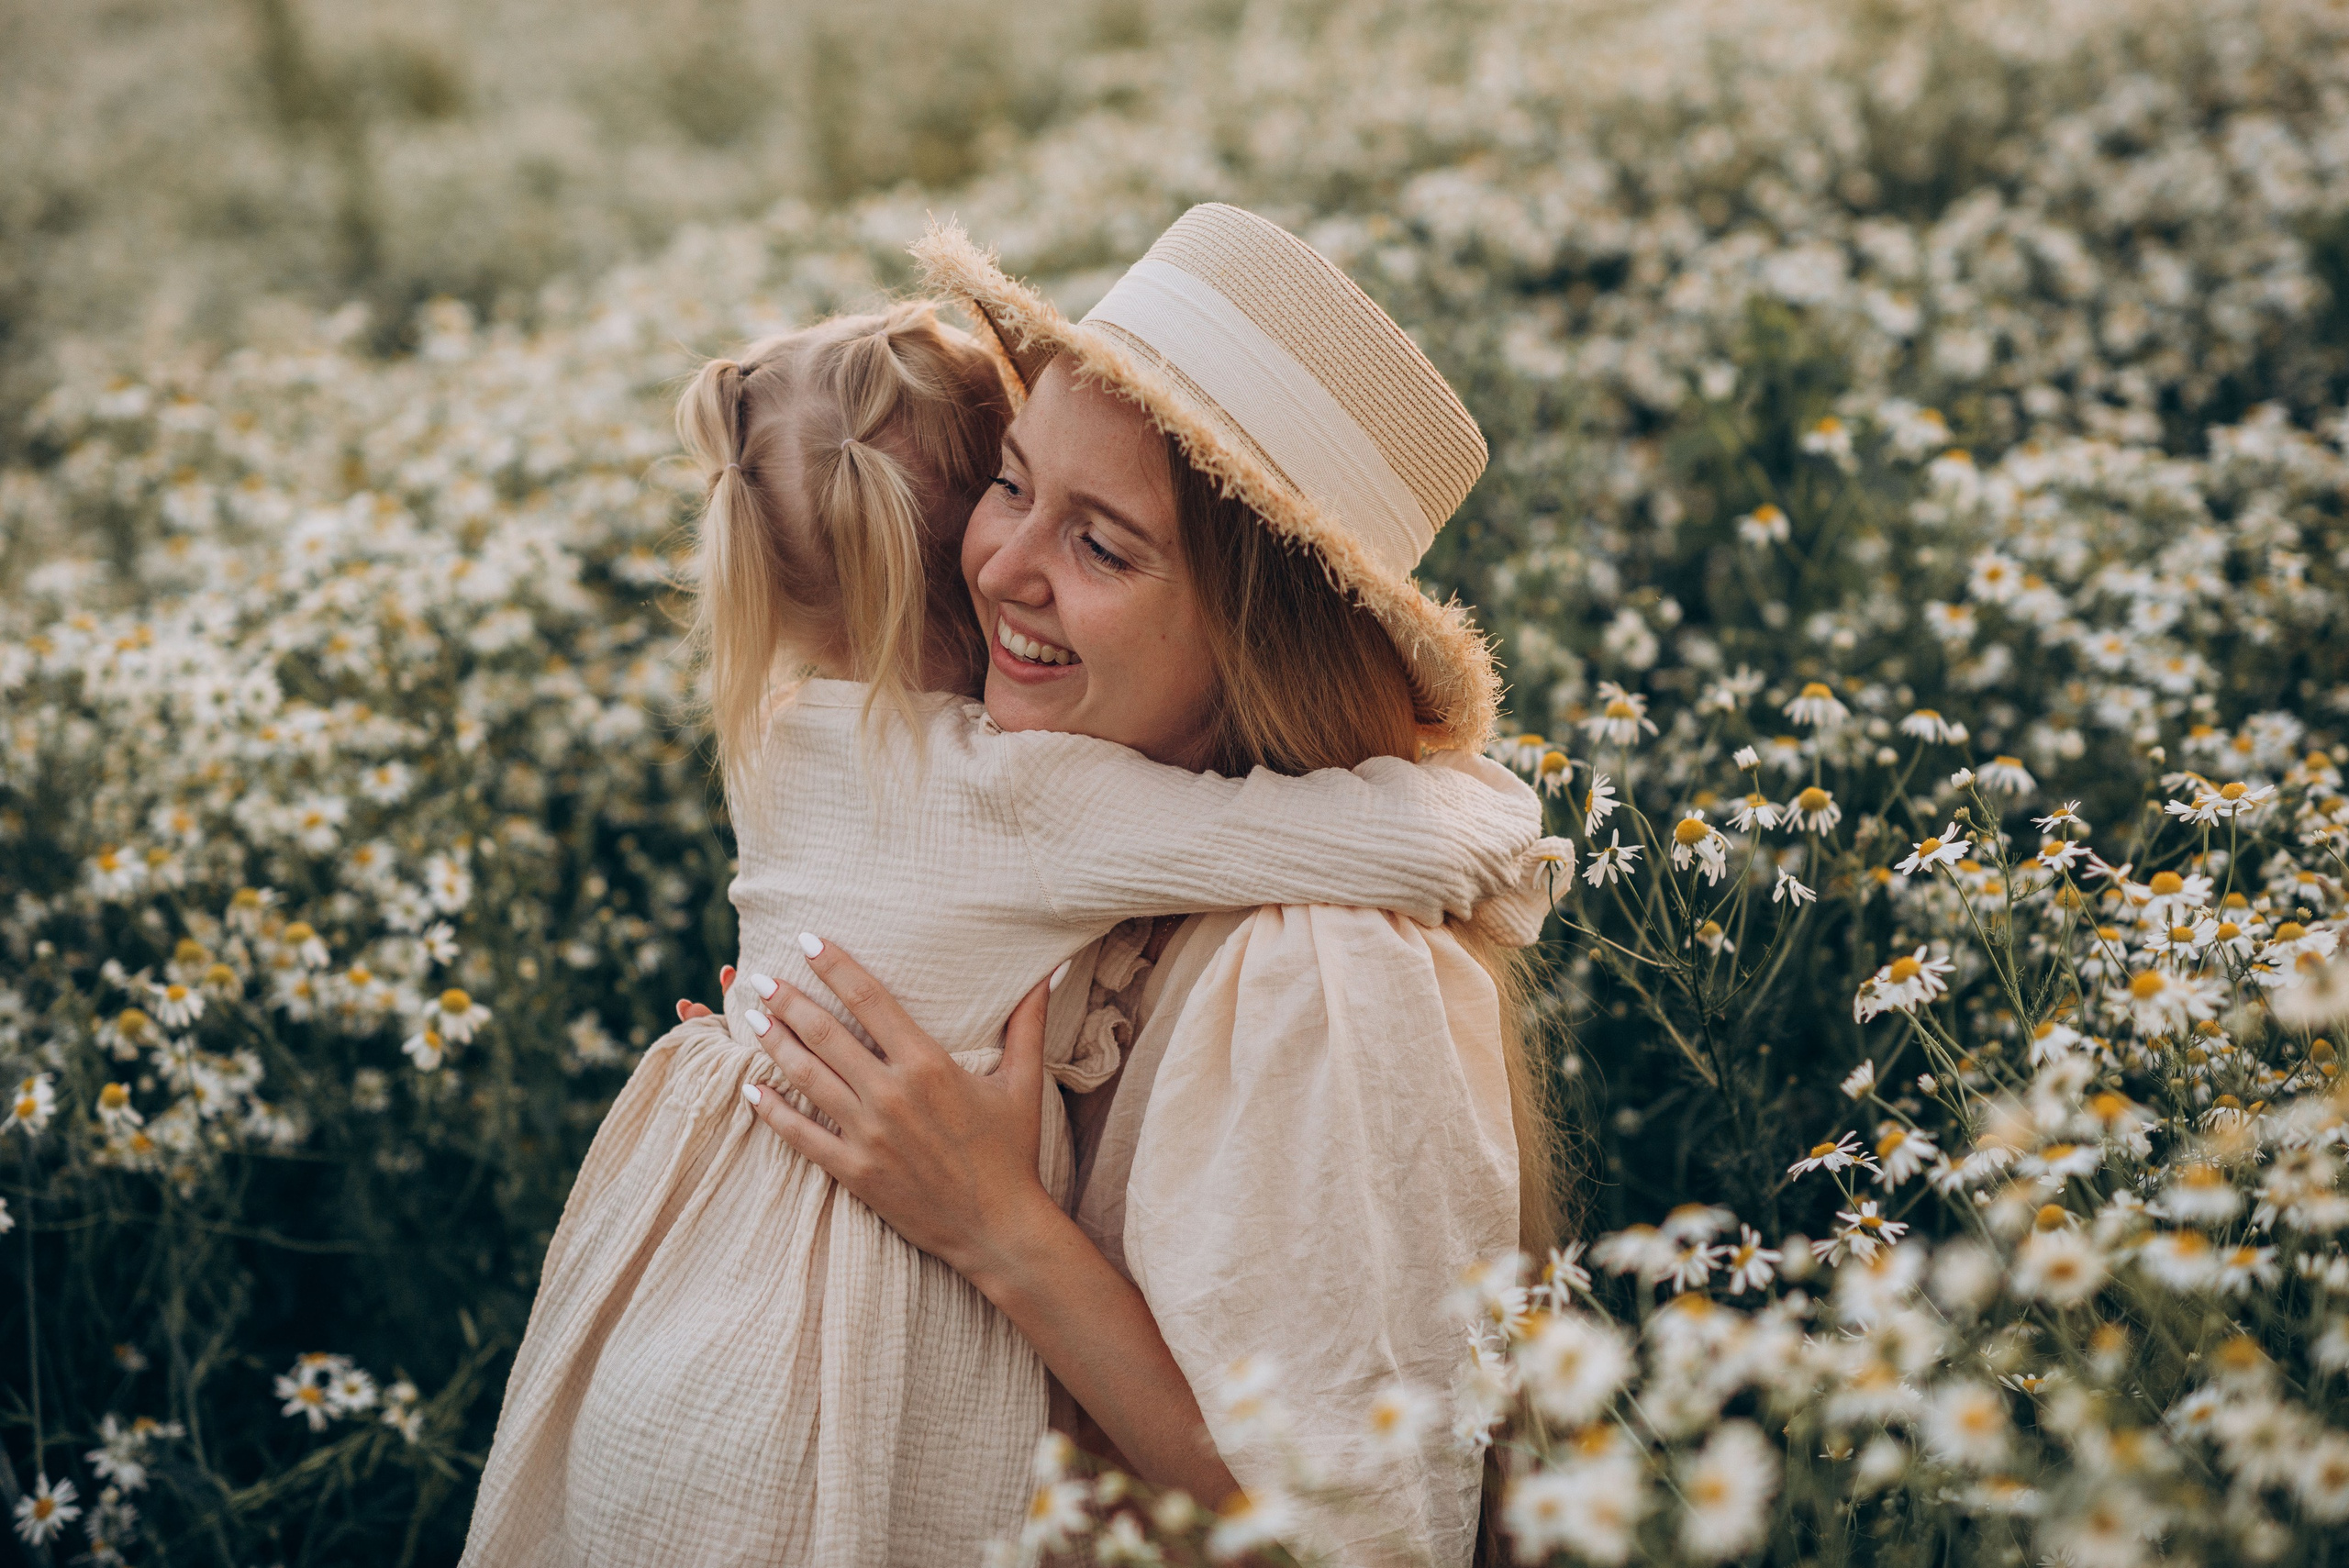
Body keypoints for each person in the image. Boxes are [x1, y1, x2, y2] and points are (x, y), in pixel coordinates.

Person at [461, 295, 1559, 1567]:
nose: (996, 566)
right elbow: (1444, 834)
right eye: (1006, 482)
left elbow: (1350, 1540)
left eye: (1102, 545)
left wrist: (996, 1219)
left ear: (1256, 635)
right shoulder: (1063, 812)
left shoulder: (1319, 969)